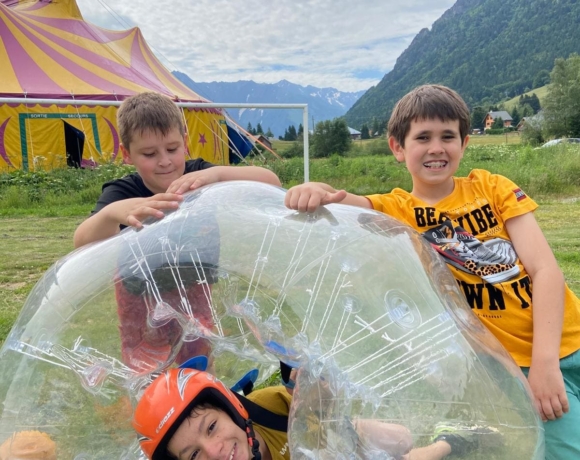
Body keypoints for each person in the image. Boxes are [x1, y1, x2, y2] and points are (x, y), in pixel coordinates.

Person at [285, 84, 580, 459]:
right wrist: (313, 189)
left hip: (563, 337)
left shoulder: (492, 187)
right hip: (513, 366)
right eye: (422, 137)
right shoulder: (395, 209)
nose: (436, 147)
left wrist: (546, 361)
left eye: (447, 136)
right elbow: (339, 203)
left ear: (464, 142)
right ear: (397, 147)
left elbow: (545, 270)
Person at [72, 92, 281, 371]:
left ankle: (202, 405)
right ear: (127, 153)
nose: (164, 161)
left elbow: (271, 182)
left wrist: (217, 175)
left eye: (172, 149)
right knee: (145, 364)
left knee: (199, 357)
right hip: (139, 295)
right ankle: (152, 407)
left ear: (185, 141)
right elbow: (82, 242)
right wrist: (112, 213)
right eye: (149, 154)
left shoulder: (201, 175)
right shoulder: (123, 192)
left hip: (194, 287)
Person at [132, 367, 501, 460]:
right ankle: (448, 442)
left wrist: (320, 390)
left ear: (234, 410)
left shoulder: (269, 405)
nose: (214, 451)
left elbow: (324, 413)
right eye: (194, 455)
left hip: (327, 435)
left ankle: (444, 440)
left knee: (402, 439)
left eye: (211, 427)